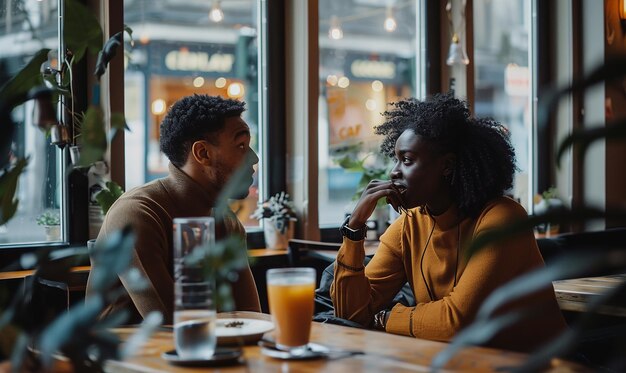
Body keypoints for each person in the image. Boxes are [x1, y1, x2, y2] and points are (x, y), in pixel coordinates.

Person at [331, 93, 567, 352]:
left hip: (538, 362)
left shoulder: (502, 219)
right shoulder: (408, 225)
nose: (394, 172)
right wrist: (354, 229)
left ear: (447, 165)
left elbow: (457, 322)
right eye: (396, 159)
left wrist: (384, 319)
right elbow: (351, 314)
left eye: (407, 160)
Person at [86, 94, 261, 324]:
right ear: (203, 153)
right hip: (121, 356)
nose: (254, 158)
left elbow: (251, 318)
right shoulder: (136, 215)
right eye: (241, 146)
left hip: (205, 352)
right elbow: (172, 326)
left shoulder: (226, 222)